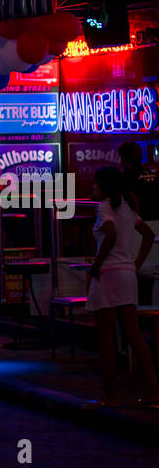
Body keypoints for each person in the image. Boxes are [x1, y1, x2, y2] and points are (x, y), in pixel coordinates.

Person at [85, 165, 159, 408]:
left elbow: (110, 234)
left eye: (95, 183)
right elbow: (148, 235)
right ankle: (154, 390)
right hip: (127, 275)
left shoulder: (105, 206)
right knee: (134, 335)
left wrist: (96, 265)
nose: (93, 187)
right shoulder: (128, 207)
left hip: (107, 276)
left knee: (106, 337)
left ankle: (109, 395)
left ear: (104, 186)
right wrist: (135, 263)